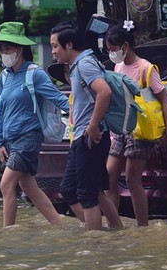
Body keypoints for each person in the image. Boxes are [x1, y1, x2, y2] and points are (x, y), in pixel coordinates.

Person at [0, 22, 67, 228]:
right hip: (10, 141)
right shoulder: (4, 77)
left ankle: (8, 233)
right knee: (29, 187)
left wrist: (89, 114)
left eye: (8, 49)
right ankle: (58, 225)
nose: (4, 54)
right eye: (2, 49)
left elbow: (60, 99)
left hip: (28, 138)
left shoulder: (35, 74)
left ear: (20, 49)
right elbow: (0, 110)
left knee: (6, 184)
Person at [50, 22, 122, 231]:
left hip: (90, 137)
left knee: (87, 193)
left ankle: (95, 241)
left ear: (69, 45)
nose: (53, 51)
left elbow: (104, 92)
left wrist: (93, 126)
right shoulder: (78, 65)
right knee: (72, 189)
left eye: (55, 46)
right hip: (83, 137)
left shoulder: (84, 64)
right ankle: (116, 231)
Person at [103, 23, 167, 226]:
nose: (111, 54)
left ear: (125, 46)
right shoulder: (118, 67)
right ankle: (113, 225)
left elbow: (165, 100)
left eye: (113, 49)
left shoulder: (146, 69)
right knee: (109, 176)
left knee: (132, 180)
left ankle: (143, 227)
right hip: (121, 128)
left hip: (141, 130)